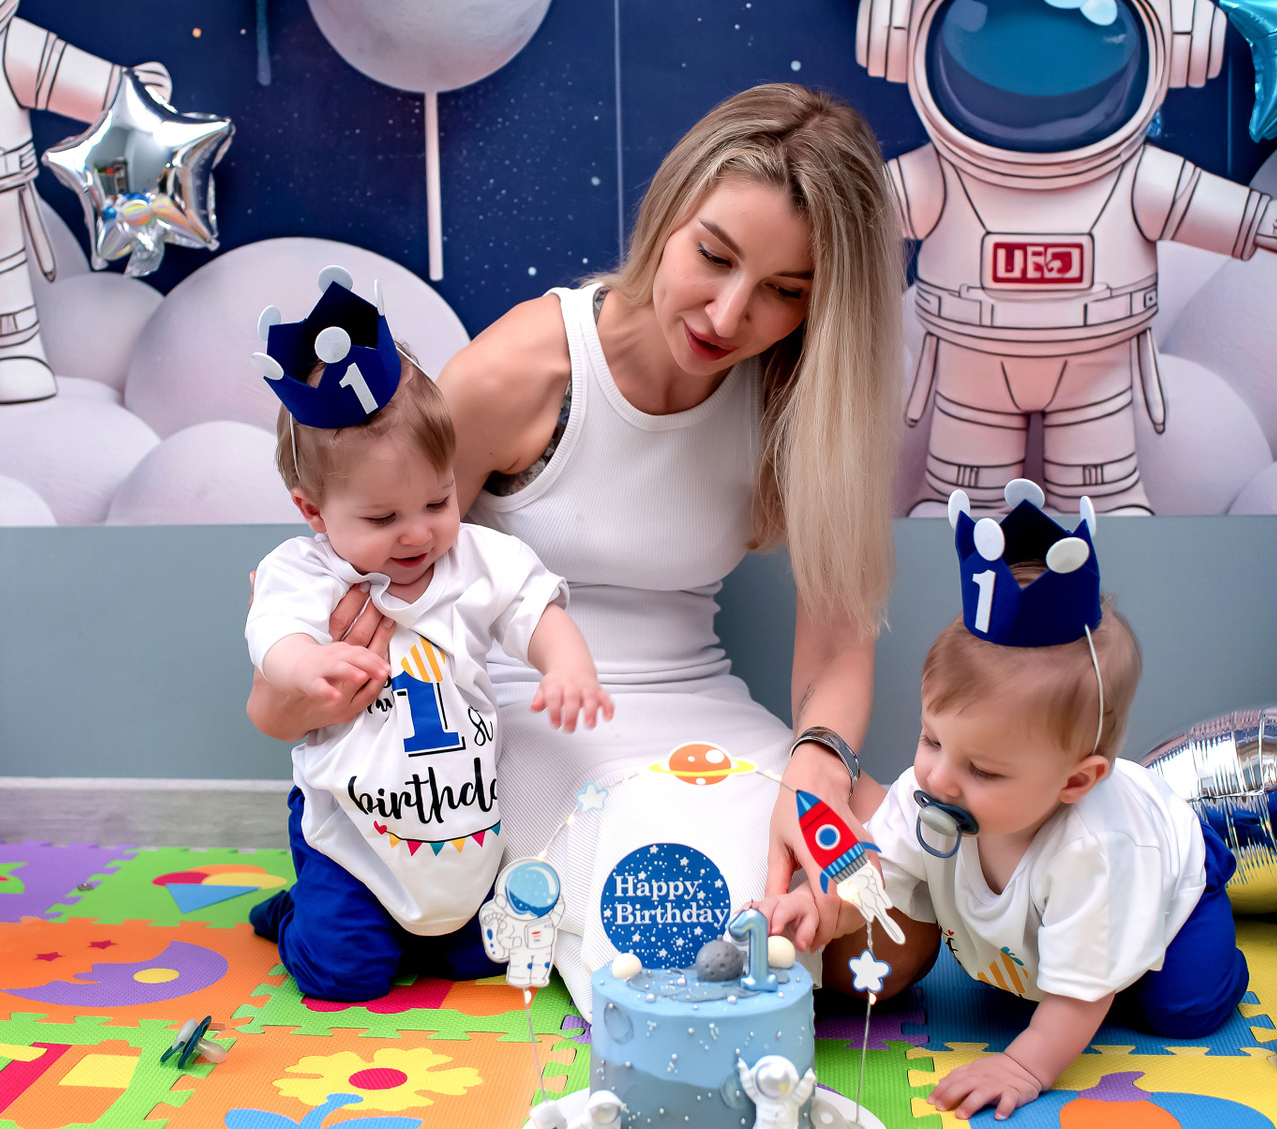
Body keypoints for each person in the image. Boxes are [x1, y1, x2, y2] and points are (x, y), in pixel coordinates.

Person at [246, 85, 906, 1007]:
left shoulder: (801, 394)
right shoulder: (523, 371)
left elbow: (838, 646)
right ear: (669, 214)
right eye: (714, 257)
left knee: (890, 927)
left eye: (784, 292)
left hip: (703, 708)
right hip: (538, 717)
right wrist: (299, 693)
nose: (727, 315)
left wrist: (817, 768)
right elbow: (369, 570)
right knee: (704, 922)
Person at [759, 479, 1248, 1121]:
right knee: (1031, 985)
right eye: (932, 739)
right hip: (1057, 925)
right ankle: (1089, 956)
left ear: (1075, 783)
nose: (938, 778)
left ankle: (1172, 945)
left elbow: (1075, 1001)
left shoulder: (1094, 848)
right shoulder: (932, 793)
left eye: (983, 770)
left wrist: (1025, 1065)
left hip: (1173, 884)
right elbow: (879, 878)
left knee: (1181, 1007)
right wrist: (821, 905)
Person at [243, 269, 611, 1004]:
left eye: (438, 501)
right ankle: (296, 915)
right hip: (350, 834)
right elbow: (273, 632)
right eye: (382, 519)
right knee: (345, 972)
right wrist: (305, 663)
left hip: (460, 826)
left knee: (483, 954)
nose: (418, 534)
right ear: (313, 511)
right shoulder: (306, 571)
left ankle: (411, 926)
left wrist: (567, 663)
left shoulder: (474, 558)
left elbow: (533, 605)